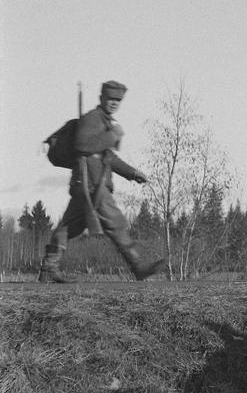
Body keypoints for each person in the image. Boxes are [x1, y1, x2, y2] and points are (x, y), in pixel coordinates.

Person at [39, 81, 165, 283]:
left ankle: (48, 268)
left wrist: (132, 173)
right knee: (116, 222)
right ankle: (138, 266)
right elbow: (82, 144)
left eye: (118, 100)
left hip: (87, 183)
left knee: (68, 227)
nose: (114, 103)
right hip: (91, 184)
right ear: (101, 98)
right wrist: (113, 135)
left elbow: (108, 157)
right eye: (111, 99)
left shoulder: (104, 122)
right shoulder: (92, 118)